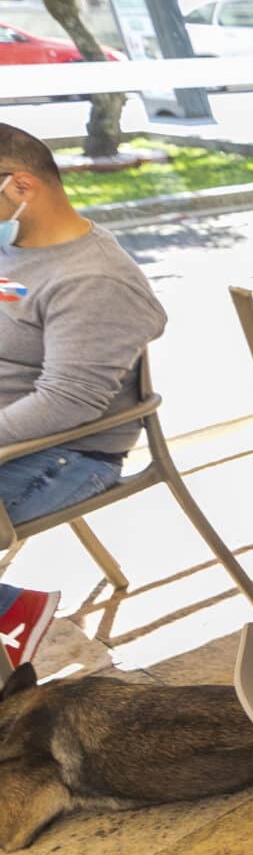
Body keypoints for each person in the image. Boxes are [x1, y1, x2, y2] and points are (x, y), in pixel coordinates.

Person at [0, 124, 168, 673]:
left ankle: (14, 616)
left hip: (65, 454)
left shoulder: (93, 280)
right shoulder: (17, 247)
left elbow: (69, 402)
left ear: (21, 187)